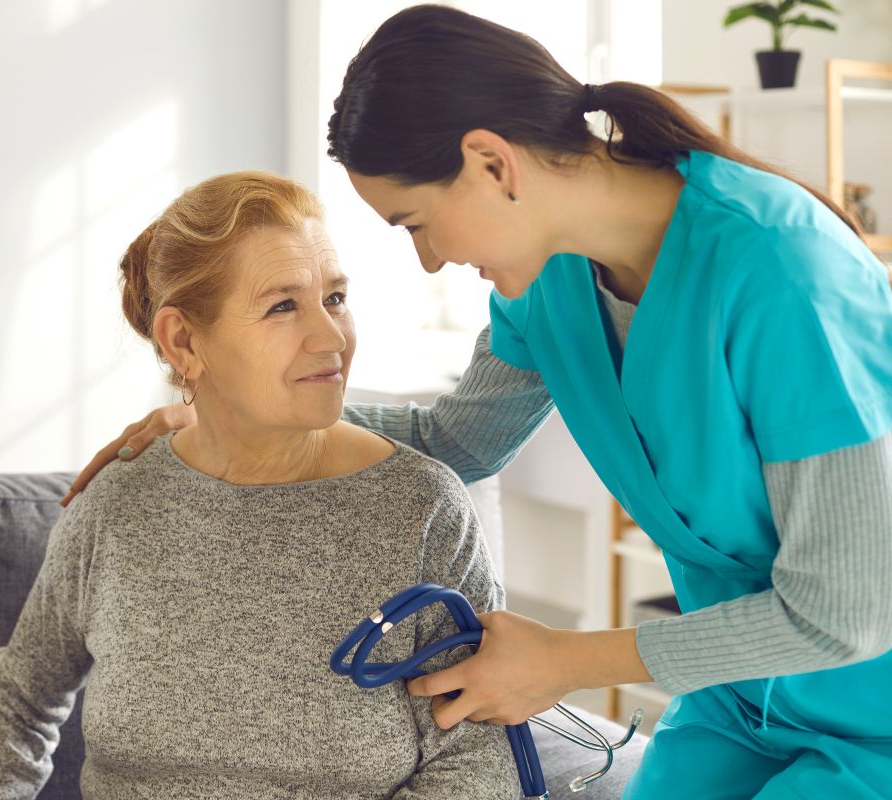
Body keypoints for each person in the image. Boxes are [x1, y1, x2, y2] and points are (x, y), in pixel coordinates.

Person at [60, 6, 892, 798]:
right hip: (739, 698)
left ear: (493, 164)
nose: (428, 261)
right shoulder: (546, 288)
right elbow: (455, 438)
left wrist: (563, 660)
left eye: (416, 223)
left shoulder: (785, 276)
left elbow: (844, 610)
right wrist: (227, 411)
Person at [0, 171, 521, 799]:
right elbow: (17, 707)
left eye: (334, 297)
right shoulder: (117, 506)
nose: (332, 338)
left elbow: (475, 761)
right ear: (185, 341)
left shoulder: (421, 509)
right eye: (282, 305)